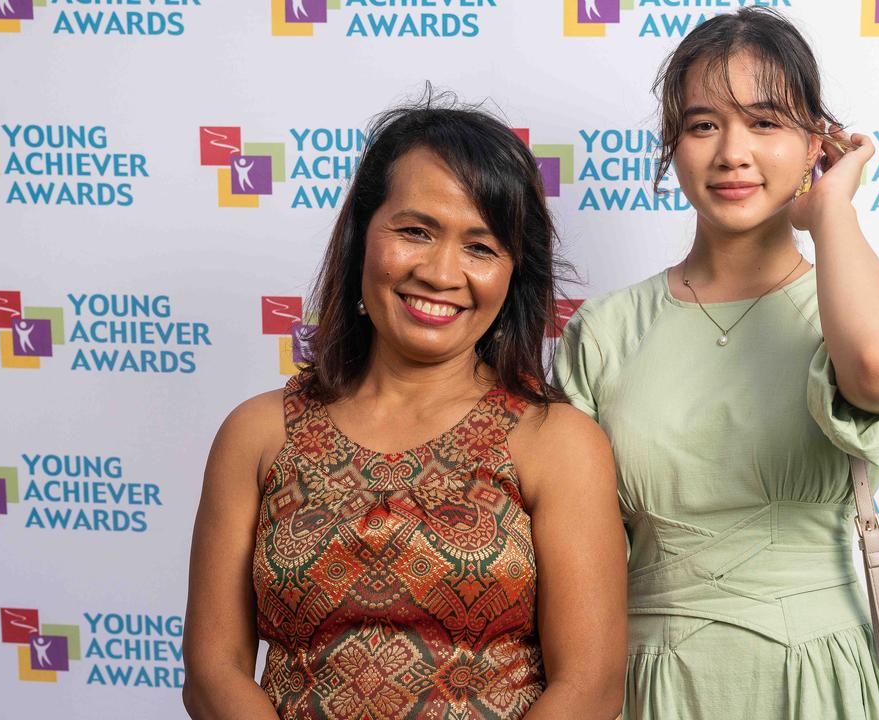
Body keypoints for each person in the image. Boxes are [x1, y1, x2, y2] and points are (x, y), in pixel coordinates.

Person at [553, 9, 879, 719]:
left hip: (819, 676)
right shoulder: (606, 330)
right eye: (702, 124)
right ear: (673, 145)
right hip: (650, 681)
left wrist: (833, 209)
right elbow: (575, 558)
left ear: (819, 140)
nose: (732, 152)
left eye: (766, 122)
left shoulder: (848, 308)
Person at [184, 97, 628, 720]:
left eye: (481, 247)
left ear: (512, 275)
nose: (442, 272)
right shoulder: (258, 433)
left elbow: (591, 686)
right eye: (415, 232)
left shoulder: (555, 441)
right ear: (362, 235)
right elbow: (212, 672)